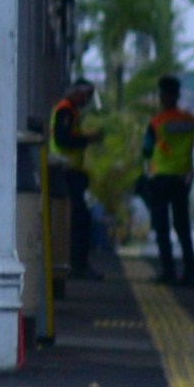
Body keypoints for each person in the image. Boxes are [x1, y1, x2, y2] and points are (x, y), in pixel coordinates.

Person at [135, 71, 194, 287]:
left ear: (163, 96)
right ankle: (190, 274)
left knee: (162, 226)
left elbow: (146, 150)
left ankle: (168, 272)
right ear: (178, 95)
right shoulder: (190, 121)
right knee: (183, 227)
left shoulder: (156, 123)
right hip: (182, 178)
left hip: (159, 178)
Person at [43, 82, 114, 283]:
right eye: (85, 95)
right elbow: (63, 139)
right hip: (66, 172)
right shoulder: (66, 111)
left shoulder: (69, 111)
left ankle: (76, 264)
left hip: (69, 171)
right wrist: (87, 139)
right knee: (79, 220)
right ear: (75, 92)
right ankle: (77, 265)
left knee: (77, 219)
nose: (87, 100)